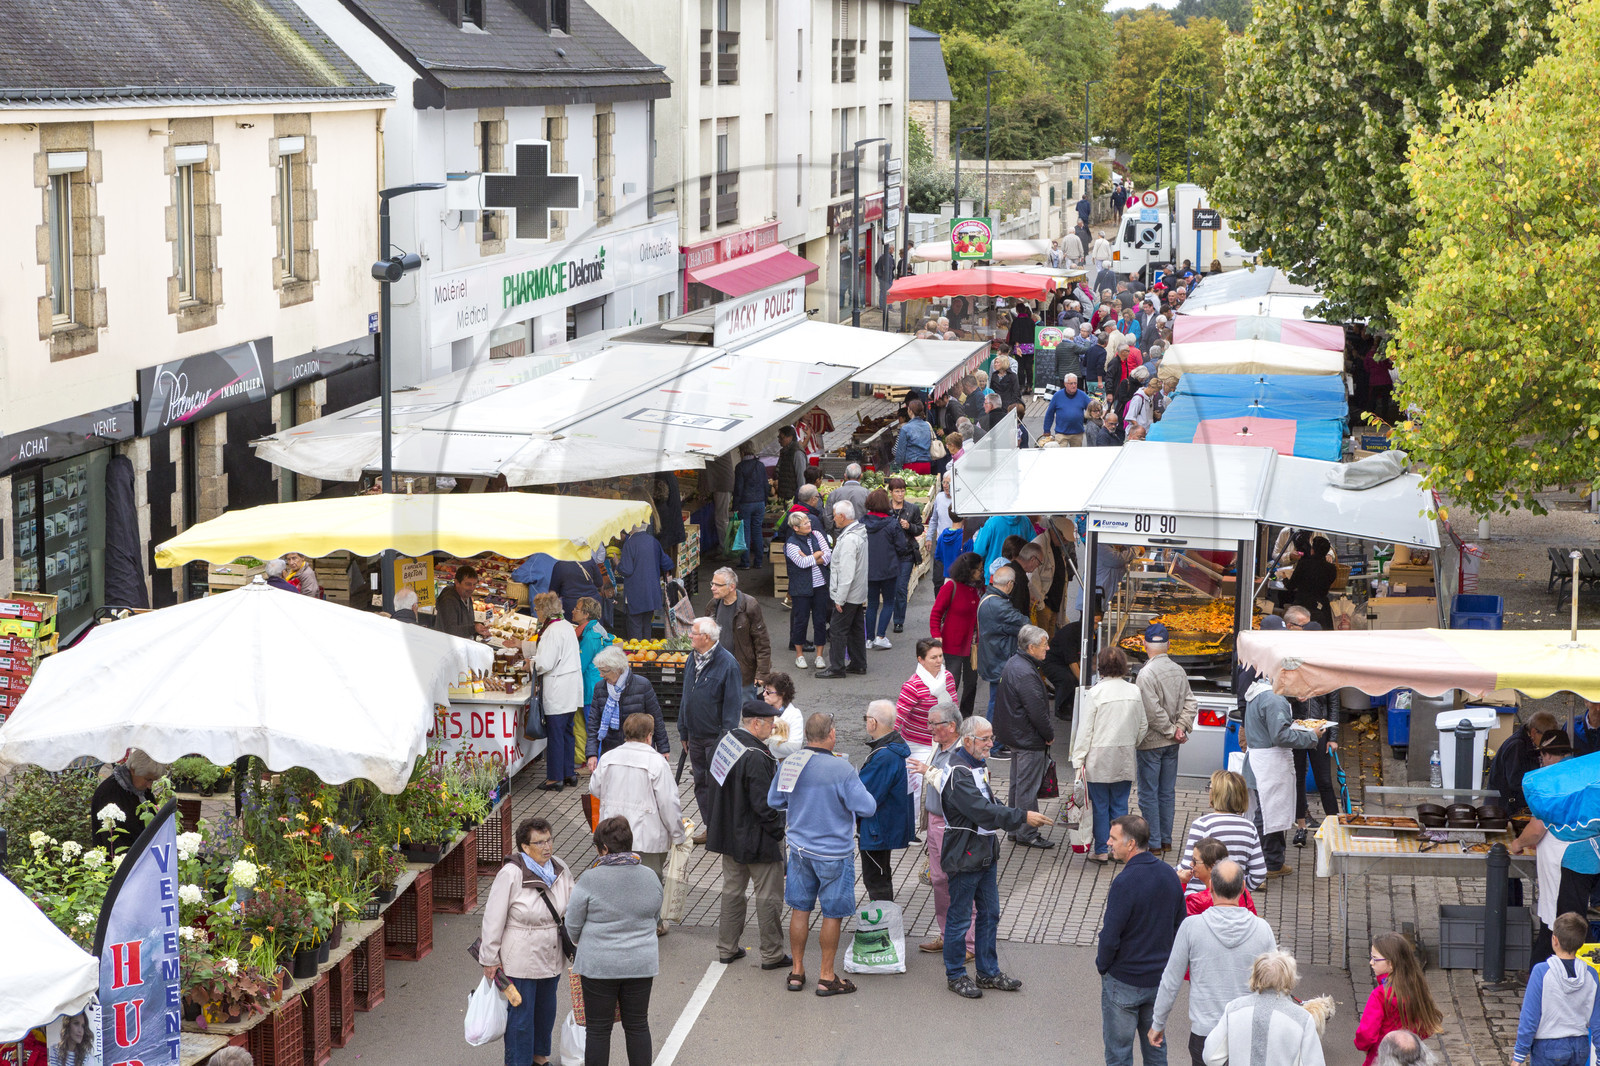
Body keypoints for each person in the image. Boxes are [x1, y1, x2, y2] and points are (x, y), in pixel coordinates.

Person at [937, 715, 1052, 998]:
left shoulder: (976, 764)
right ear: (967, 741)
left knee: (989, 914)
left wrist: (1014, 814)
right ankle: (955, 975)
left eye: (991, 738)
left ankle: (988, 972)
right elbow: (983, 811)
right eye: (985, 739)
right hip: (965, 854)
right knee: (960, 918)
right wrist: (1022, 816)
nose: (991, 744)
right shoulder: (958, 773)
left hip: (983, 851)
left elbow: (990, 802)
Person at [767, 712, 878, 997]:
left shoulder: (790, 762)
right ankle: (827, 977)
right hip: (834, 854)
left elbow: (774, 800)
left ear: (806, 736)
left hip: (800, 851)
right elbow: (867, 807)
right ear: (831, 735)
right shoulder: (841, 769)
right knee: (832, 914)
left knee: (800, 909)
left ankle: (797, 971)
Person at [1150, 860, 1278, 1065]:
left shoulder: (1191, 927)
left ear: (1210, 887)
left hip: (1204, 1034)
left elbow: (1170, 980)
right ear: (1243, 888)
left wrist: (1158, 1023)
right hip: (1248, 1032)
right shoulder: (1262, 929)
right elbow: (1276, 985)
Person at [566, 817, 663, 1066]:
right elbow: (655, 916)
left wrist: (583, 943)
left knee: (598, 1030)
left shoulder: (590, 879)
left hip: (599, 965)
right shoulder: (650, 876)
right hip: (640, 964)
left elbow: (572, 924)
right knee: (638, 1025)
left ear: (605, 849)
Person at [479, 816, 573, 1066]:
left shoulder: (561, 868)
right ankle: (518, 1062)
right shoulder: (510, 874)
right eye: (539, 842)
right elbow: (492, 919)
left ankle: (538, 1059)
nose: (547, 847)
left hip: (551, 958)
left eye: (549, 840)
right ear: (524, 847)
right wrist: (490, 959)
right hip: (520, 962)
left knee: (545, 1015)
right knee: (520, 1020)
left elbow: (572, 908)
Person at [705, 699, 789, 969]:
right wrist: (779, 831)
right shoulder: (757, 756)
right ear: (756, 724)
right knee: (768, 897)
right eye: (770, 725)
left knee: (732, 891)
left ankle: (727, 947)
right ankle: (772, 954)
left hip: (729, 835)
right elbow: (765, 806)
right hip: (757, 840)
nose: (773, 729)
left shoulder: (726, 741)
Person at [1098, 815, 1186, 1065]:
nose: (1108, 842)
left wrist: (1103, 966)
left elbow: (1111, 935)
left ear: (1131, 844)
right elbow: (1181, 925)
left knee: (1119, 1052)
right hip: (1158, 981)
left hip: (1124, 981)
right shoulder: (1170, 876)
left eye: (1113, 838)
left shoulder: (1124, 883)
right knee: (1156, 1046)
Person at [588, 712, 685, 935]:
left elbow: (594, 788)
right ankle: (653, 925)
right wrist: (678, 835)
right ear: (649, 736)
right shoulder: (657, 763)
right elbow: (669, 803)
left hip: (612, 834)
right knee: (649, 882)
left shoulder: (609, 757)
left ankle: (616, 921)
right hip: (647, 836)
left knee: (614, 880)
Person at [1241, 668, 1327, 878]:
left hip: (1259, 762)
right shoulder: (1275, 700)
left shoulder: (1260, 691)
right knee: (1266, 816)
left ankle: (1273, 861)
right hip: (1268, 766)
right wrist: (1312, 736)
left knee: (1270, 813)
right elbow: (1280, 736)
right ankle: (1262, 867)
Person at [910, 702, 975, 958]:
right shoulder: (940, 746)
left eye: (933, 724)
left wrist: (929, 771)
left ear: (951, 726)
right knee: (939, 881)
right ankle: (947, 935)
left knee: (958, 882)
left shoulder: (964, 753)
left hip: (953, 825)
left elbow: (957, 787)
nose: (929, 729)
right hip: (936, 823)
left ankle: (968, 944)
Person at [1074, 648, 1149, 863]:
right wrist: (1131, 743)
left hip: (1098, 758)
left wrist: (1079, 759)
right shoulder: (1134, 691)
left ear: (1101, 666)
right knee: (1120, 805)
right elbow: (1143, 725)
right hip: (1124, 757)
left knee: (1099, 806)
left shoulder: (1096, 693)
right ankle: (1121, 850)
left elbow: (1085, 730)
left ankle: (1100, 850)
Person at [1511, 732, 1577, 965]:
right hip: (1586, 858)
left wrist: (1518, 843)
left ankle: (1548, 971)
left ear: (1549, 755)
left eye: (1543, 755)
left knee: (1557, 920)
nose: (1542, 761)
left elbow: (1537, 828)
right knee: (1571, 917)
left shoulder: (1554, 780)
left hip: (1564, 861)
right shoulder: (1579, 772)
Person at [679, 617, 744, 842]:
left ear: (706, 637)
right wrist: (683, 730)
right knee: (701, 784)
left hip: (715, 738)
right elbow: (686, 696)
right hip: (695, 736)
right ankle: (711, 828)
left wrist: (725, 738)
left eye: (694, 633)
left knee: (719, 786)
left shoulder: (728, 664)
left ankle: (722, 831)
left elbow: (733, 706)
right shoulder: (691, 659)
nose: (690, 636)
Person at [1202, 951, 1328, 1066]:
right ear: (1290, 979)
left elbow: (1210, 1056)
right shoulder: (1302, 1020)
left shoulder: (1233, 1009)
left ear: (1255, 975)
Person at [1136, 623, 1197, 856]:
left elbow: (1151, 712)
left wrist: (1172, 730)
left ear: (1144, 645)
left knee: (1148, 793)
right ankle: (1167, 840)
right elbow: (1191, 702)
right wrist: (1181, 727)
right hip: (1172, 744)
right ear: (1169, 645)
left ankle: (1153, 843)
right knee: (1167, 792)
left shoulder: (1146, 674)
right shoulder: (1179, 670)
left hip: (1152, 743)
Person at [994, 625, 1056, 848]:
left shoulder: (1015, 663)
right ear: (1031, 647)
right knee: (1027, 788)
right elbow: (1037, 712)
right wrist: (1048, 735)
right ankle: (1028, 832)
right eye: (1043, 645)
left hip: (1015, 736)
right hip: (1028, 738)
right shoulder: (1027, 673)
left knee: (1017, 785)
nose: (1047, 648)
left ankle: (1014, 827)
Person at [1511, 911, 1600, 1066]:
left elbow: (1530, 1017)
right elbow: (1597, 1020)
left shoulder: (1541, 972)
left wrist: (1518, 1056)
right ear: (1582, 942)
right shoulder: (1591, 974)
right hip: (1580, 1047)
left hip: (1548, 1047)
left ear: (1554, 940)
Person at [1355, 933, 1443, 1066]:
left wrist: (1364, 1047)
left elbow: (1366, 1034)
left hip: (1382, 1055)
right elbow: (1427, 1024)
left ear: (1391, 964)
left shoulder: (1379, 995)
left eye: (1375, 959)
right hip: (1411, 1057)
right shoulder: (1417, 987)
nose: (1371, 962)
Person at [858, 700, 915, 902]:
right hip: (884, 826)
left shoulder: (884, 756)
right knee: (881, 875)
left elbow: (865, 796)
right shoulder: (892, 749)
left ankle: (883, 926)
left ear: (873, 722)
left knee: (876, 881)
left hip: (877, 830)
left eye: (866, 718)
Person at [1175, 770, 1267, 894]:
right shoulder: (1250, 828)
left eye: (1210, 788)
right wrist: (1240, 890)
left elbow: (1188, 866)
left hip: (1198, 898)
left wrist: (1168, 874)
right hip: (1233, 901)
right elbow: (1259, 873)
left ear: (1217, 794)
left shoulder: (1202, 824)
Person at [897, 638, 960, 818]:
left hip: (945, 743)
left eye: (940, 656)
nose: (939, 661)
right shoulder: (912, 686)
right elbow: (898, 717)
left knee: (947, 781)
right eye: (933, 658)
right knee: (919, 786)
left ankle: (942, 818)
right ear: (921, 660)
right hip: (919, 745)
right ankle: (914, 827)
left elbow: (954, 707)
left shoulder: (947, 677)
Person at [586, 647, 669, 769]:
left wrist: (663, 749)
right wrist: (592, 754)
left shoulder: (643, 685)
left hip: (640, 753)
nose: (601, 675)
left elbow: (656, 719)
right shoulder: (600, 688)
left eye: (604, 671)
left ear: (617, 669)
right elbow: (593, 723)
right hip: (611, 751)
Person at [533, 592, 583, 791]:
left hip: (558, 687)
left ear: (544, 610)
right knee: (567, 733)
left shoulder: (552, 630)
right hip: (570, 687)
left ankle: (555, 778)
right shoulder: (566, 625)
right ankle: (568, 773)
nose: (536, 612)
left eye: (537, 608)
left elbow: (545, 663)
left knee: (555, 734)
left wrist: (533, 663)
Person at [819, 501, 868, 679]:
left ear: (842, 516)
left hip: (848, 594)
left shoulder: (849, 540)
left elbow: (846, 573)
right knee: (856, 628)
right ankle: (858, 663)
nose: (833, 519)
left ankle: (837, 667)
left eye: (834, 515)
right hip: (857, 592)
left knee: (837, 630)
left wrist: (839, 598)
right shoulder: (858, 533)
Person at [931, 552, 983, 717]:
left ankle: (966, 715)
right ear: (968, 570)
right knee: (952, 682)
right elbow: (936, 613)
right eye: (978, 570)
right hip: (953, 644)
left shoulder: (980, 589)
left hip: (973, 645)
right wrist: (936, 634)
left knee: (971, 683)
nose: (981, 573)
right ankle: (947, 716)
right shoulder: (950, 587)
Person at [976, 566, 1031, 722]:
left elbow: (1006, 626)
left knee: (999, 700)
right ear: (1009, 584)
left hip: (993, 657)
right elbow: (1025, 622)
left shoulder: (990, 598)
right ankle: (992, 741)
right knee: (998, 702)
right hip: (999, 659)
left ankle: (994, 739)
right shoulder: (999, 605)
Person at [90, 749, 169, 852]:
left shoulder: (142, 790)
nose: (150, 786)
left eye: (153, 781)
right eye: (148, 779)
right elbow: (111, 841)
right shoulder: (108, 793)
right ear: (132, 770)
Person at [705, 567, 771, 687]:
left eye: (718, 585)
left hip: (743, 673)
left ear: (731, 587)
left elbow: (762, 641)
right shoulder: (713, 605)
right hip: (717, 672)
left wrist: (762, 673)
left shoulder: (749, 605)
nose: (712, 588)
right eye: (712, 583)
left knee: (745, 705)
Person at [1489, 711, 1564, 816]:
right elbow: (1515, 781)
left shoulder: (1530, 742)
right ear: (1534, 732)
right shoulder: (1517, 746)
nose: (1549, 741)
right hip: (1504, 808)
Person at [572, 596, 611, 765]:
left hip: (590, 688)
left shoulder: (589, 637)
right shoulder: (597, 630)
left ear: (586, 614)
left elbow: (580, 664)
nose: (573, 611)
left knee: (592, 726)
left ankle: (596, 763)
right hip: (598, 684)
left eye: (577, 609)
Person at [616, 527, 673, 640]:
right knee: (647, 625)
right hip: (652, 593)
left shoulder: (630, 543)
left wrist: (618, 563)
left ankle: (638, 654)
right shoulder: (653, 541)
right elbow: (667, 563)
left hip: (635, 594)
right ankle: (646, 654)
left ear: (630, 528)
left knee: (635, 627)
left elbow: (627, 570)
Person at [886, 477, 924, 636]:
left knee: (901, 588)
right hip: (888, 554)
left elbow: (920, 528)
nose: (900, 494)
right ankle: (887, 617)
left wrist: (910, 526)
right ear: (891, 492)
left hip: (907, 553)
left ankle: (898, 621)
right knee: (890, 588)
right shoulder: (885, 508)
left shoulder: (912, 509)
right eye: (897, 491)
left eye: (902, 491)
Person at [1182, 837, 1258, 916]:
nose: (1191, 864)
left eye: (1195, 861)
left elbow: (1177, 917)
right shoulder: (1244, 893)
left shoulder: (1198, 901)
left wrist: (1181, 884)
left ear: (1212, 867)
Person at [1283, 535, 1338, 630]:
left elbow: (1290, 586)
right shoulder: (1332, 568)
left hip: (1302, 606)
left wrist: (1284, 578)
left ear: (1312, 550)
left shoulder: (1303, 564)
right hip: (1322, 607)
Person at [732, 442, 771, 571]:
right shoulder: (760, 466)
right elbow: (766, 485)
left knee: (745, 533)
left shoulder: (740, 467)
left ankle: (745, 562)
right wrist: (765, 501)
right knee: (757, 531)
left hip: (745, 503)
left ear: (742, 452)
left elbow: (738, 488)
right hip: (759, 502)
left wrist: (735, 505)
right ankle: (759, 561)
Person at [756, 672, 806, 760]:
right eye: (764, 690)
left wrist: (770, 741)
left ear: (782, 694)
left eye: (769, 692)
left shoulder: (794, 715)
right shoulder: (763, 710)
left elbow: (795, 748)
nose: (764, 694)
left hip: (782, 763)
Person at [436, 564, 490, 639]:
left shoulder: (466, 596)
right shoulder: (448, 600)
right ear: (457, 582)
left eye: (474, 584)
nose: (472, 588)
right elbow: (450, 630)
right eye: (468, 584)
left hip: (463, 644)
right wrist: (474, 628)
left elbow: (467, 623)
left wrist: (479, 631)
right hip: (449, 646)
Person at [549, 555, 607, 620]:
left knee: (574, 629)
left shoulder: (560, 565)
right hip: (593, 603)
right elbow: (599, 583)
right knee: (594, 628)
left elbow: (553, 591)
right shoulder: (588, 559)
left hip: (572, 606)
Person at [1043, 373, 1094, 445]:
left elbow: (1091, 409)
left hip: (1077, 433)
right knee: (1061, 455)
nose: (1073, 385)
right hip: (1061, 433)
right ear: (1065, 384)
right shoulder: (1057, 396)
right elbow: (1049, 413)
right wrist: (1046, 430)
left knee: (1075, 455)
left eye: (1075, 383)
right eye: (1071, 383)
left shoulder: (1082, 395)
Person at [893, 399, 934, 474]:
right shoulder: (927, 426)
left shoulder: (905, 428)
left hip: (911, 466)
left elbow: (900, 452)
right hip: (926, 464)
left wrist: (896, 470)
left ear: (910, 411)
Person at [775, 425, 808, 505]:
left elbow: (801, 476)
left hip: (793, 496)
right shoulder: (784, 451)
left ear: (790, 437)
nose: (779, 440)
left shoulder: (797, 453)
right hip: (786, 494)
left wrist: (800, 497)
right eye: (778, 438)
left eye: (781, 438)